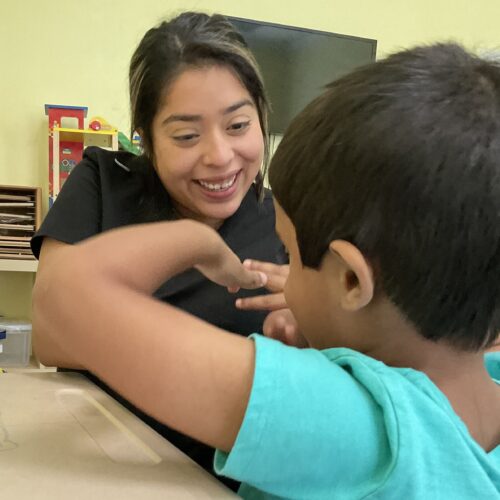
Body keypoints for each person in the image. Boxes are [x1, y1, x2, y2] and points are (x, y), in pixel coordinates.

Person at [33, 42, 500, 498]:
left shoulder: (348, 420)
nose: (219, 156)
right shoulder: (485, 380)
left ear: (352, 281)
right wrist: (329, 340)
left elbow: (67, 292)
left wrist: (197, 241)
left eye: (292, 258)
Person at [31, 11, 286, 480]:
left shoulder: (287, 219)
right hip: (96, 466)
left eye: (238, 126)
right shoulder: (104, 181)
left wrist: (308, 327)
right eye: (187, 135)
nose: (219, 156)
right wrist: (193, 243)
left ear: (262, 119)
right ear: (146, 139)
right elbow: (53, 334)